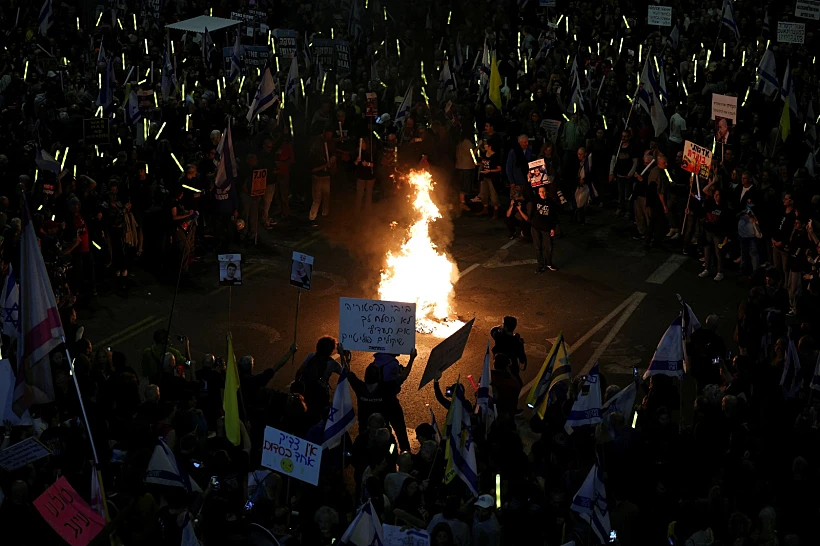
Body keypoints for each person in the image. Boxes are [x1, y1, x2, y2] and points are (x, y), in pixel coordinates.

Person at [519, 184, 558, 272]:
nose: (542, 193)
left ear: (546, 192)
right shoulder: (535, 199)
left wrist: (553, 228)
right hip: (535, 227)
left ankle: (548, 263)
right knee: (537, 247)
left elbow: (554, 216)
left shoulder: (550, 202)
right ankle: (540, 265)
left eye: (543, 191)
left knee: (548, 247)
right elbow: (528, 191)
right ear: (538, 193)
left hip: (546, 228)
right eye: (540, 192)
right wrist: (529, 180)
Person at [699, 189, 732, 282]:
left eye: (718, 195)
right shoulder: (710, 204)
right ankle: (707, 269)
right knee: (707, 251)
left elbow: (728, 224)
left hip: (718, 234)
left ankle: (720, 272)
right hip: (708, 232)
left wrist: (726, 237)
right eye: (715, 194)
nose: (715, 196)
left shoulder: (725, 209)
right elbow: (703, 214)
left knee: (719, 253)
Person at [477, 140, 502, 218]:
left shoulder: (495, 156)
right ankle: (485, 209)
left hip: (492, 178)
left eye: (486, 145)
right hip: (484, 177)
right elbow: (482, 162)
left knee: (493, 195)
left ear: (490, 146)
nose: (484, 146)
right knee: (484, 193)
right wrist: (479, 164)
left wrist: (490, 171)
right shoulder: (484, 154)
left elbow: (499, 168)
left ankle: (496, 211)